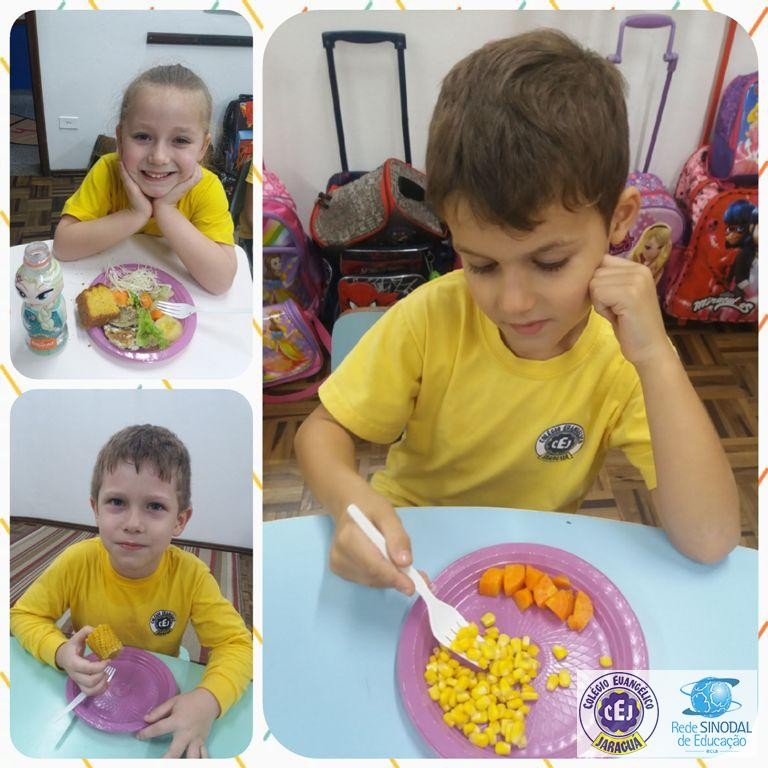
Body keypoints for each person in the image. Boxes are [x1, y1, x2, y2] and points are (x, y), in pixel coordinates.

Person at [294, 30, 740, 596]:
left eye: (549, 263)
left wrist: (656, 358)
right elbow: (322, 430)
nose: (512, 302)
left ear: (619, 220)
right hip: (413, 555)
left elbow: (710, 538)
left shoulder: (627, 349)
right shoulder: (431, 317)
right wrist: (349, 502)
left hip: (529, 573)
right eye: (481, 265)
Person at [10, 425, 252, 758]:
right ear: (95, 509)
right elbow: (24, 615)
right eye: (117, 502)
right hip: (94, 683)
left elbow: (237, 644)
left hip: (157, 687)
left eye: (155, 506)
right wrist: (61, 651)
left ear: (180, 520)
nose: (133, 523)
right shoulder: (76, 562)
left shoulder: (192, 576)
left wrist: (208, 700)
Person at [53, 65, 236, 295]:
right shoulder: (107, 170)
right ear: (120, 139)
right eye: (142, 136)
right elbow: (63, 247)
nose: (159, 157)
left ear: (202, 147)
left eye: (180, 140)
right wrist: (136, 214)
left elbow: (221, 282)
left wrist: (166, 211)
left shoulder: (207, 187)